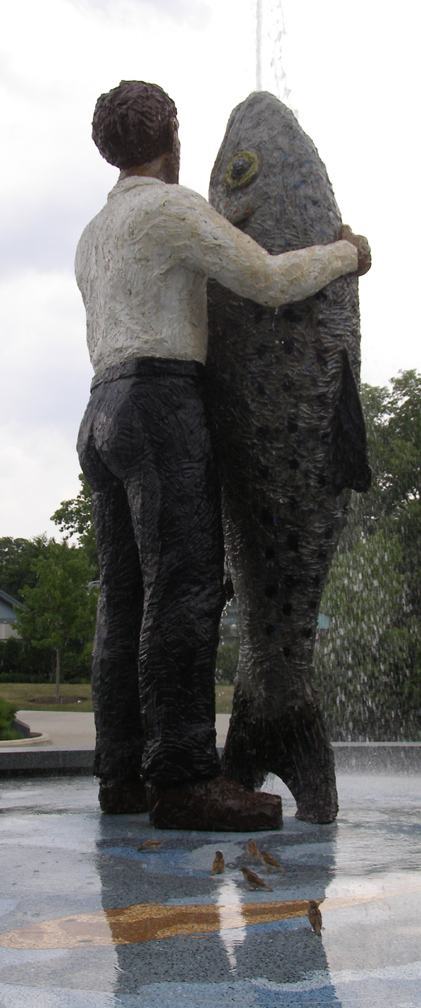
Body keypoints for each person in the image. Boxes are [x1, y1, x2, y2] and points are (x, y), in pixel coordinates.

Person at [76, 80, 370, 830]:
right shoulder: (170, 209)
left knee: (124, 601)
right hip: (159, 405)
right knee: (185, 592)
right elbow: (268, 280)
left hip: (102, 410)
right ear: (171, 143)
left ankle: (122, 777)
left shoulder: (95, 233)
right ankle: (180, 779)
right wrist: (345, 253)